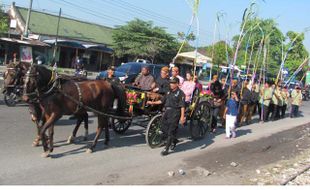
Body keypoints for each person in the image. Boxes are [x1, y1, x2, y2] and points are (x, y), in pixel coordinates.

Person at [147, 77, 185, 156]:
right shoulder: (168, 92)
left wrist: (182, 117)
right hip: (167, 111)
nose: (171, 84)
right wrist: (152, 103)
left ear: (177, 84)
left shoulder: (181, 93)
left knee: (171, 131)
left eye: (173, 83)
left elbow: (182, 106)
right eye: (171, 83)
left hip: (175, 112)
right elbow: (162, 101)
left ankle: (166, 149)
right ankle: (173, 140)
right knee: (163, 127)